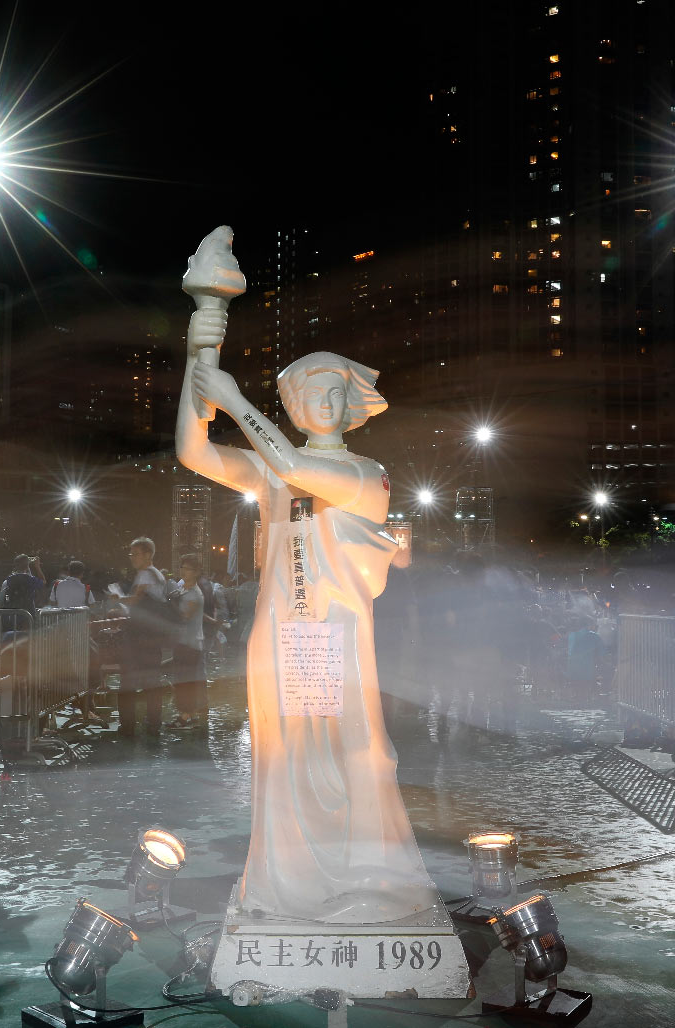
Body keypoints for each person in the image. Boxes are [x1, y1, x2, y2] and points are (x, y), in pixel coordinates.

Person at [180, 306, 439, 922]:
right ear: (293, 406)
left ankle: (378, 883)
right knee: (286, 755)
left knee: (355, 748)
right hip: (282, 634)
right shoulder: (272, 470)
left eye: (334, 391)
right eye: (310, 392)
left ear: (352, 404)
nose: (322, 401)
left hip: (335, 634)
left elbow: (296, 469)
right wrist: (200, 350)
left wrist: (235, 400)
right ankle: (286, 882)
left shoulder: (366, 475)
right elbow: (193, 451)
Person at [107, 537, 168, 734]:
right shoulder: (157, 575)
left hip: (139, 637)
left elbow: (136, 600)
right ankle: (153, 723)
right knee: (151, 682)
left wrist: (118, 598)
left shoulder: (146, 575)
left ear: (148, 554)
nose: (132, 557)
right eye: (131, 553)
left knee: (127, 682)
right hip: (152, 636)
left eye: (136, 554)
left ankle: (128, 725)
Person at [169, 554, 207, 727]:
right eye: (182, 567)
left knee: (186, 681)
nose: (183, 571)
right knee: (182, 680)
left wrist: (170, 606)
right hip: (182, 642)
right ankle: (188, 714)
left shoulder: (195, 595)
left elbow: (183, 616)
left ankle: (186, 716)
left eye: (187, 569)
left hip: (190, 644)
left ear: (196, 572)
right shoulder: (182, 586)